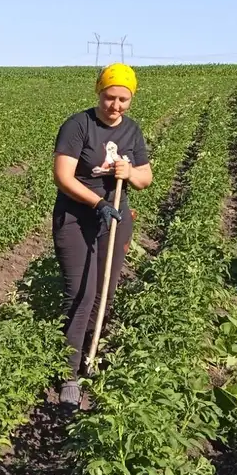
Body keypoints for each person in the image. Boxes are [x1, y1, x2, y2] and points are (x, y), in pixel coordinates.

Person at [51, 63, 153, 408]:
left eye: (124, 99)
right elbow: (63, 177)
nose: (116, 106)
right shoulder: (78, 126)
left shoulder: (132, 131)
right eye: (110, 97)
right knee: (81, 293)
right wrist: (97, 203)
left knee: (104, 293)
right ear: (99, 92)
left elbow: (146, 178)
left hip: (115, 219)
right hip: (76, 218)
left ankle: (89, 357)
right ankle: (68, 375)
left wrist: (130, 171)